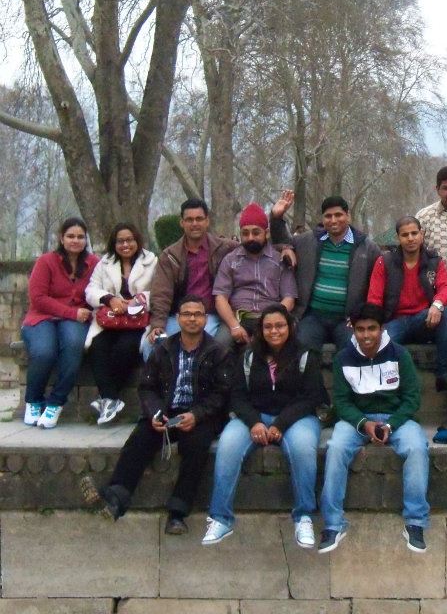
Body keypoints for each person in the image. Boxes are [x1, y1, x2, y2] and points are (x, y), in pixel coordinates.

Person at [80, 296, 232, 534]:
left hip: (200, 416)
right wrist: (155, 412)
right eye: (187, 314)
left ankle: (177, 513)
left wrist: (196, 414)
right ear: (178, 318)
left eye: (198, 314)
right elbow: (147, 387)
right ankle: (115, 498)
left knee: (196, 446)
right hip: (167, 411)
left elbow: (222, 393)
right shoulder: (163, 349)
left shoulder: (218, 352)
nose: (192, 319)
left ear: (205, 319)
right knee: (141, 437)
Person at [202, 304, 327, 548]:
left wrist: (281, 423)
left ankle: (303, 516)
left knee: (303, 449)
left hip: (296, 418)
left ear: (290, 327)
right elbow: (237, 396)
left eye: (279, 326)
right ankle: (221, 518)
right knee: (227, 446)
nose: (274, 331)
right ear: (260, 330)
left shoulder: (306, 355)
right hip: (255, 416)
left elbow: (312, 397)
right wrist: (254, 422)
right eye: (268, 327)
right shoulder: (248, 356)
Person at [319, 304, 430, 553]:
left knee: (417, 447)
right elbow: (342, 402)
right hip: (357, 419)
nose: (366, 335)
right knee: (336, 448)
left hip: (396, 418)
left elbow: (412, 398)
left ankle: (415, 522)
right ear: (353, 330)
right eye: (360, 329)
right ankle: (333, 524)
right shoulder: (343, 358)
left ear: (381, 329)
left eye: (372, 328)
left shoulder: (399, 354)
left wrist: (391, 424)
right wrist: (363, 423)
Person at [270, 191, 381, 352]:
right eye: (328, 216)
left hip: (348, 320)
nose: (333, 220)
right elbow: (281, 241)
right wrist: (277, 217)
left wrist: (364, 315)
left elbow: (376, 286)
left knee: (352, 350)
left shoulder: (368, 248)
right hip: (313, 317)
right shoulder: (307, 241)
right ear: (322, 219)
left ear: (348, 216)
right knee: (302, 347)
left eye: (338, 215)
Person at [21, 217, 99, 429]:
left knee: (73, 346)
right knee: (44, 351)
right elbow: (38, 298)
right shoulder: (46, 261)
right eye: (70, 236)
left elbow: (97, 291)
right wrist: (71, 312)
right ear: (61, 238)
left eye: (80, 237)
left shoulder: (94, 263)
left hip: (76, 320)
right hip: (42, 317)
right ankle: (33, 400)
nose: (75, 240)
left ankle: (55, 402)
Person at [143, 199, 243, 359]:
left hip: (210, 315)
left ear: (207, 221)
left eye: (199, 219)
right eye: (189, 219)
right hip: (180, 315)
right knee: (149, 344)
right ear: (182, 222)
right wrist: (157, 325)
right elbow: (161, 294)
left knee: (198, 345)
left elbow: (255, 247)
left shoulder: (225, 248)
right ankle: (159, 376)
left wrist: (283, 248)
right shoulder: (170, 256)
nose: (194, 223)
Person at [367, 216, 447, 389]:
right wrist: (375, 325)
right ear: (398, 238)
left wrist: (437, 304)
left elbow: (446, 288)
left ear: (421, 234)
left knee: (446, 311)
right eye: (405, 235)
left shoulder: (434, 261)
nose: (410, 238)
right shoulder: (384, 262)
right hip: (394, 321)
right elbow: (374, 298)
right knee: (376, 348)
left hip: (424, 319)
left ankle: (444, 373)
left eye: (414, 233)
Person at [84, 223, 158, 425]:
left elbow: (159, 290)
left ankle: (107, 399)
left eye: (129, 240)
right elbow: (91, 290)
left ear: (137, 241)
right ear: (114, 244)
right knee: (97, 346)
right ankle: (111, 400)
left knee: (126, 348)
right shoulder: (104, 263)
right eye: (120, 241)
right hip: (110, 320)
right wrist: (109, 299)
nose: (125, 245)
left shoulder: (152, 261)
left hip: (136, 321)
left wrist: (138, 300)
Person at [213, 203, 297, 350]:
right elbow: (220, 298)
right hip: (237, 318)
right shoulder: (230, 260)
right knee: (219, 346)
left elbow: (289, 298)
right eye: (245, 233)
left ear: (267, 233)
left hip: (271, 319)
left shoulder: (280, 260)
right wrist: (234, 326)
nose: (250, 237)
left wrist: (271, 322)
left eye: (256, 233)